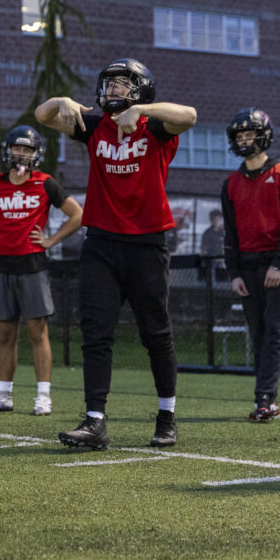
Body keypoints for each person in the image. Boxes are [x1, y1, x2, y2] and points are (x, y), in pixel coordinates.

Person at [35, 58, 197, 450]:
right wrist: (61, 99)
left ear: (140, 89)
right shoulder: (96, 126)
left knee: (156, 334)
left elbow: (190, 115)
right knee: (96, 333)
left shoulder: (155, 125)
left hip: (147, 242)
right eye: (109, 83)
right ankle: (94, 422)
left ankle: (166, 417)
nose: (112, 90)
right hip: (102, 242)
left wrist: (140, 110)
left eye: (123, 84)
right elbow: (43, 116)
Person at [0, 125, 83, 416]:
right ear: (8, 150)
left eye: (27, 149)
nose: (21, 154)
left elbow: (77, 214)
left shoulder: (45, 183)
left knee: (37, 332)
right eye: (17, 148)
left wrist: (51, 241)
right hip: (2, 265)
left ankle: (43, 396)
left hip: (33, 265)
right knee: (5, 334)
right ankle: (4, 395)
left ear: (36, 154)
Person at [221, 108, 280, 422]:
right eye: (239, 136)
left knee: (276, 331)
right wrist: (233, 273)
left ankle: (265, 399)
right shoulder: (230, 184)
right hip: (248, 266)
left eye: (249, 134)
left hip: (279, 263)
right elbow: (231, 232)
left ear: (263, 136)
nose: (244, 140)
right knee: (258, 332)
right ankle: (265, 398)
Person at [199, 208, 227, 281]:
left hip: (224, 264)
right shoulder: (207, 234)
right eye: (216, 219)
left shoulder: (224, 232)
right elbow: (204, 249)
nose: (219, 221)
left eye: (220, 219)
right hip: (212, 264)